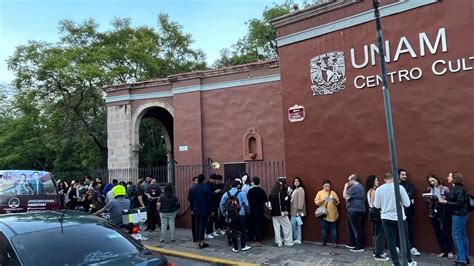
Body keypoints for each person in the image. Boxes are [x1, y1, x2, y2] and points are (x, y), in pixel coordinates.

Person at [374, 172, 416, 266]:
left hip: (386, 217)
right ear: (395, 179)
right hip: (400, 217)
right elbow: (407, 204)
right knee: (405, 238)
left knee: (391, 240)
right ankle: (408, 260)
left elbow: (376, 205)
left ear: (384, 179)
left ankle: (395, 262)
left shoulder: (379, 189)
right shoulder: (400, 188)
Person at [438, 171, 470, 265]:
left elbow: (460, 203)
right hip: (461, 214)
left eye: (449, 176)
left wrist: (446, 202)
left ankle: (461, 260)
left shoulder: (458, 189)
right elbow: (456, 199)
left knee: (457, 236)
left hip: (458, 215)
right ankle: (464, 257)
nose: (448, 177)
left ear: (454, 178)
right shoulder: (457, 188)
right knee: (462, 236)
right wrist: (446, 198)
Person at [424, 173, 453, 259]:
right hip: (434, 213)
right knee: (438, 232)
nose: (432, 183)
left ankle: (449, 251)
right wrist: (428, 198)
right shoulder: (430, 189)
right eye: (430, 181)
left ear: (437, 179)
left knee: (446, 231)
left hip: (444, 212)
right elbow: (428, 202)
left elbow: (450, 200)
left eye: (433, 180)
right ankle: (443, 250)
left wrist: (444, 199)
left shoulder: (445, 189)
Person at [219, 179, 252, 253]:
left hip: (231, 215)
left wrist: (224, 213)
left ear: (230, 185)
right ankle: (243, 246)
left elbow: (221, 205)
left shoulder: (226, 194)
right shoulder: (242, 193)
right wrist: (246, 212)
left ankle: (235, 248)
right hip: (241, 214)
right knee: (243, 230)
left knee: (233, 231)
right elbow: (246, 204)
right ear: (238, 186)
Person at [398, 168, 420, 256]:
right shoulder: (394, 185)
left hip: (408, 212)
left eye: (405, 175)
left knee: (409, 230)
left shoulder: (409, 185)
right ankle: (397, 247)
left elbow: (411, 194)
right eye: (402, 175)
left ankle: (412, 248)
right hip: (397, 212)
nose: (405, 176)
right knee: (397, 230)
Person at [366, 175, 388, 261]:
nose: (378, 182)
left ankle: (376, 251)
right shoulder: (374, 191)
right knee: (380, 233)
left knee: (375, 233)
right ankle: (379, 253)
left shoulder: (369, 191)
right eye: (376, 180)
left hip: (372, 213)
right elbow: (375, 204)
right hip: (376, 213)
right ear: (373, 182)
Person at [343, 174, 366, 252]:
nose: (348, 182)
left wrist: (345, 186)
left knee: (356, 228)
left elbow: (345, 196)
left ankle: (359, 246)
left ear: (353, 180)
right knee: (350, 225)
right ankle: (352, 243)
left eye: (349, 180)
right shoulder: (361, 187)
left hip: (354, 210)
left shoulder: (354, 187)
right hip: (358, 209)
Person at [269, 177, 293, 247]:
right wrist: (288, 197)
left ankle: (279, 242)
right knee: (287, 226)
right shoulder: (281, 194)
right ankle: (288, 241)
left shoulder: (271, 194)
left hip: (274, 213)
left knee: (276, 228)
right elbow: (284, 203)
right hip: (281, 212)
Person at [314, 180, 340, 248]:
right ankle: (323, 241)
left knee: (333, 229)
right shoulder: (320, 193)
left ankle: (334, 242)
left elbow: (338, 202)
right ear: (323, 186)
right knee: (324, 229)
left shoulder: (333, 193)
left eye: (328, 186)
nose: (327, 187)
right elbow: (316, 202)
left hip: (332, 214)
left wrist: (335, 200)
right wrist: (322, 200)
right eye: (325, 186)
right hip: (323, 214)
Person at [189, 174, 211, 249]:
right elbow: (209, 201)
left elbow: (190, 199)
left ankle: (199, 240)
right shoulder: (206, 188)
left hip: (195, 209)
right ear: (204, 179)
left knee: (197, 225)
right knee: (202, 226)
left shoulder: (192, 188)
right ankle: (201, 242)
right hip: (204, 210)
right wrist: (210, 210)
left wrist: (192, 209)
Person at [247, 176, 268, 246]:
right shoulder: (262, 191)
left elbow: (248, 201)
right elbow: (265, 200)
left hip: (253, 209)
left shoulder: (250, 191)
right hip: (260, 209)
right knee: (261, 223)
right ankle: (263, 238)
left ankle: (258, 240)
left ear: (253, 182)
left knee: (255, 224)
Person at [290, 177, 306, 245]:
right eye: (295, 181)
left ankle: (298, 238)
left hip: (297, 211)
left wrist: (299, 209)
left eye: (297, 181)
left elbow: (301, 200)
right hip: (293, 210)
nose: (296, 182)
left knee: (297, 224)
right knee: (294, 224)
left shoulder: (300, 189)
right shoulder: (295, 190)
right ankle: (296, 238)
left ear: (300, 182)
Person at [188, 176, 199, 242]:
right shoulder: (191, 189)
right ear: (193, 182)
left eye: (197, 180)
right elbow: (190, 200)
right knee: (194, 224)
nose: (197, 182)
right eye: (195, 180)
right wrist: (192, 209)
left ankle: (199, 236)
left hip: (198, 208)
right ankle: (195, 238)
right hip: (194, 208)